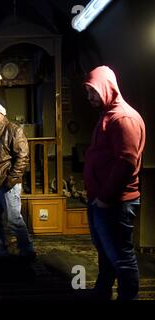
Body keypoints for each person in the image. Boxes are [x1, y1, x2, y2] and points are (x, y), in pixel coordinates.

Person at [83, 66, 146, 300]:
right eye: (88, 92)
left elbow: (126, 163)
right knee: (106, 253)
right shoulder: (108, 115)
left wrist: (104, 198)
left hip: (115, 204)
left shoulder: (124, 119)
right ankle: (102, 292)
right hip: (102, 201)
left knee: (122, 257)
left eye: (92, 92)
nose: (89, 97)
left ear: (106, 88)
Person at [0, 96, 35, 260]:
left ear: (2, 113)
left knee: (14, 220)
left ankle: (27, 251)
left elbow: (23, 157)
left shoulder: (14, 130)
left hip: (8, 184)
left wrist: (10, 180)